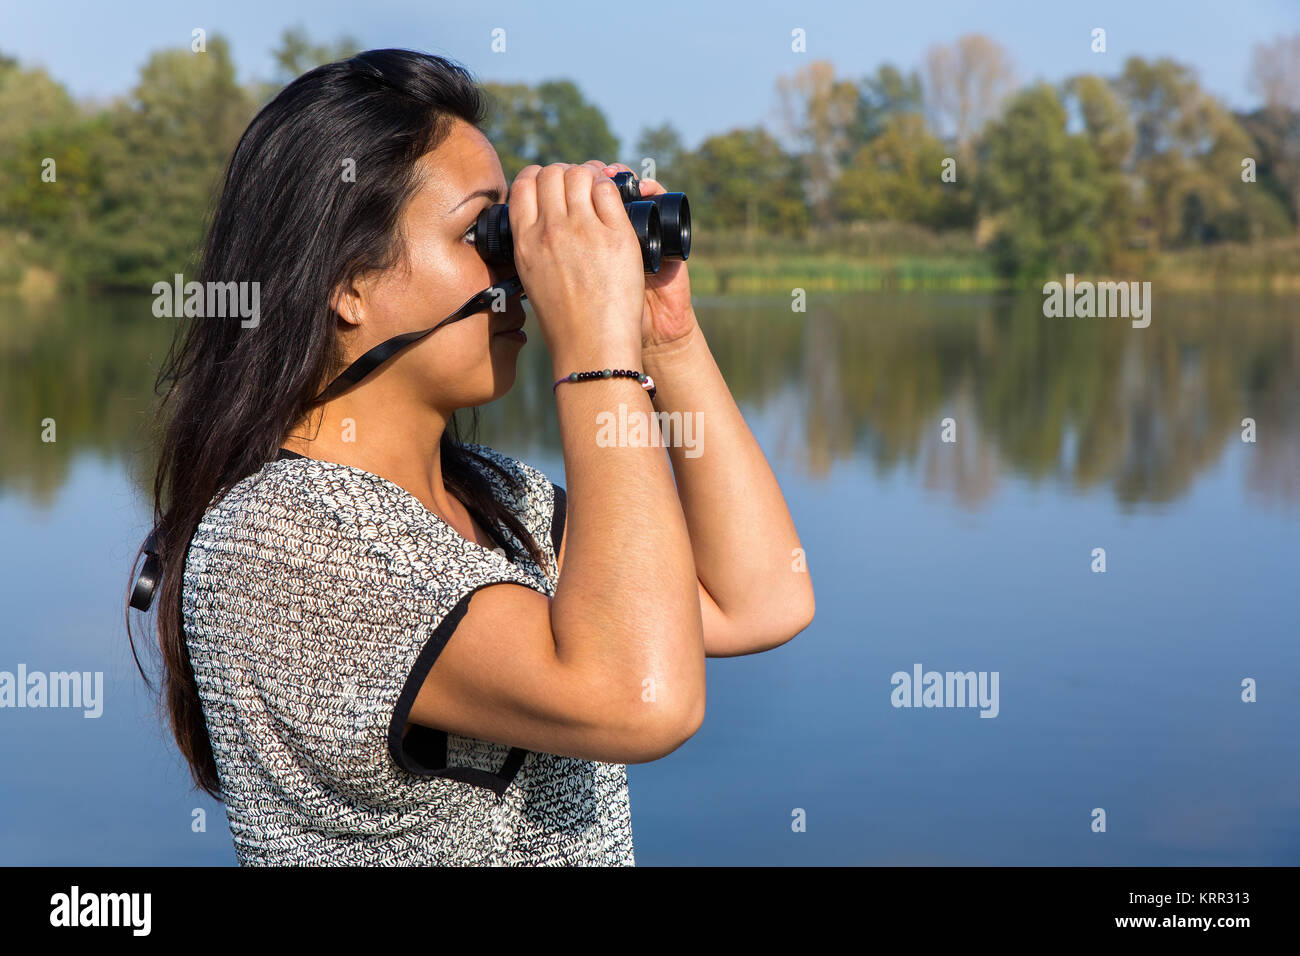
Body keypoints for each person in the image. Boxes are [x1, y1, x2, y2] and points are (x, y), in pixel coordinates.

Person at [127, 48, 815, 866]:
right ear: (346, 285)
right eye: (482, 234)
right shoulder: (276, 542)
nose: (518, 275)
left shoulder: (500, 499)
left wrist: (665, 339)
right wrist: (595, 354)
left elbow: (763, 597)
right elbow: (641, 702)